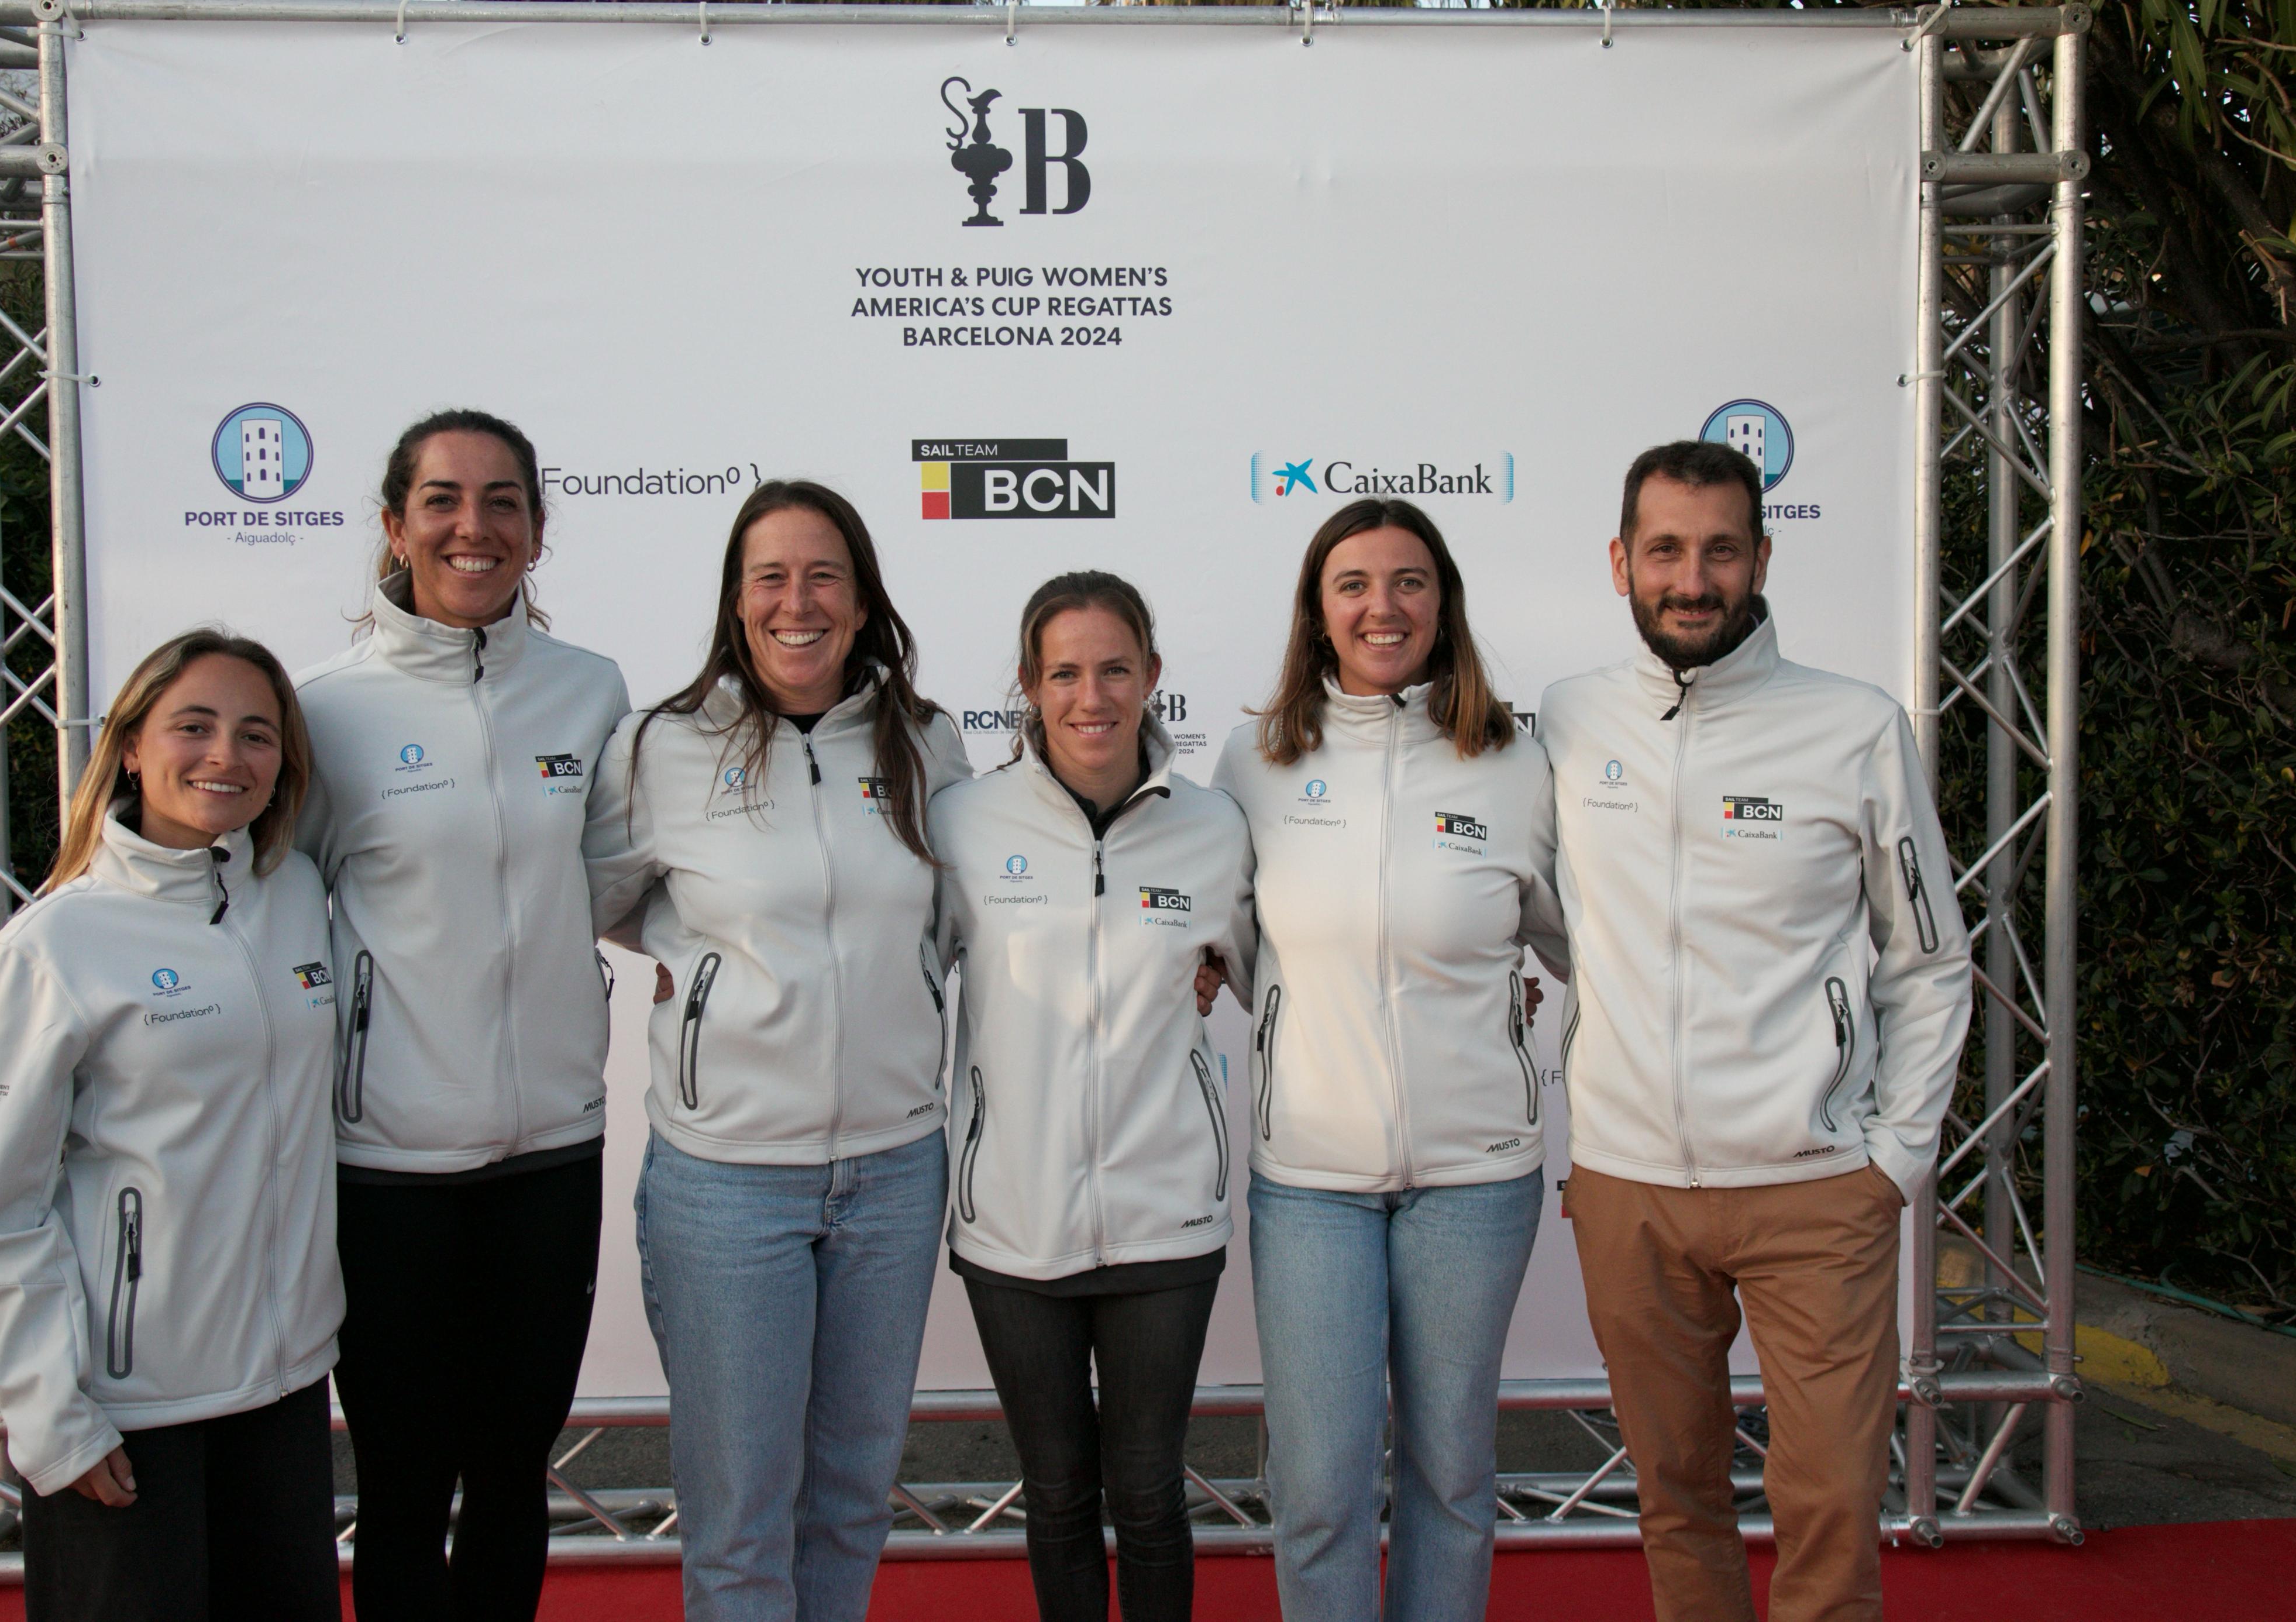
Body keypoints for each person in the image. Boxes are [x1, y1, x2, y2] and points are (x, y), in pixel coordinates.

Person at [1540, 440, 1972, 1622]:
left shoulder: (1854, 726)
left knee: (1828, 1501)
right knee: (1676, 1496)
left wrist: (1893, 1159)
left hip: (1816, 1186)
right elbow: (1518, 908)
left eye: (1719, 550)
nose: (1693, 578)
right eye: (1666, 550)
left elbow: (1930, 960)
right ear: (1621, 562)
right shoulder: (1568, 725)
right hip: (1628, 1188)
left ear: (1761, 559)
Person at [581, 478, 972, 1622]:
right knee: (743, 1516)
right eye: (771, 577)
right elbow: (605, 894)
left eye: (823, 577)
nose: (796, 601)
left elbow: (957, 916)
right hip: (726, 1186)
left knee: (851, 1495)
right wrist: (699, 968)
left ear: (861, 602)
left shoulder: (923, 739)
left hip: (894, 1173)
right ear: (735, 600)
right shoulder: (660, 746)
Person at [294, 409, 632, 1621]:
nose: (471, 526)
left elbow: (627, 883)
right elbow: (275, 915)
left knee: (509, 1476)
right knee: (399, 1481)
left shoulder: (589, 692)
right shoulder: (320, 709)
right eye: (441, 499)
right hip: (386, 1166)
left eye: (502, 501)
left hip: (551, 1151)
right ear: (395, 522)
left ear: (537, 531)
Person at [1212, 498, 1565, 1622]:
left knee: (1451, 1475)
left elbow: (1588, 948)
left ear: (1444, 603)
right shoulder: (1254, 759)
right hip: (1310, 1180)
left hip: (1477, 1179)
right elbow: (1191, 930)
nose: (1383, 606)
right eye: (1354, 584)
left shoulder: (1516, 762)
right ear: (1318, 614)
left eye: (1409, 581)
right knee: (1317, 1488)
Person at [0, 629, 342, 1622]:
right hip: (125, 1414)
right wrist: (52, 1418)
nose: (225, 756)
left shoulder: (294, 895)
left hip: (282, 1396)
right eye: (193, 726)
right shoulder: (55, 944)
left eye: (257, 735)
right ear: (129, 744)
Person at [928, 571, 1255, 1622]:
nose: (1092, 696)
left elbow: (1294, 971)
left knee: (1151, 1494)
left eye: (1116, 668)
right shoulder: (964, 823)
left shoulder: (1216, 828)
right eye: (1063, 672)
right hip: (1014, 1228)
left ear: (1153, 676)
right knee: (1060, 1495)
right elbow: (880, 968)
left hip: (1167, 1222)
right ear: (1027, 685)